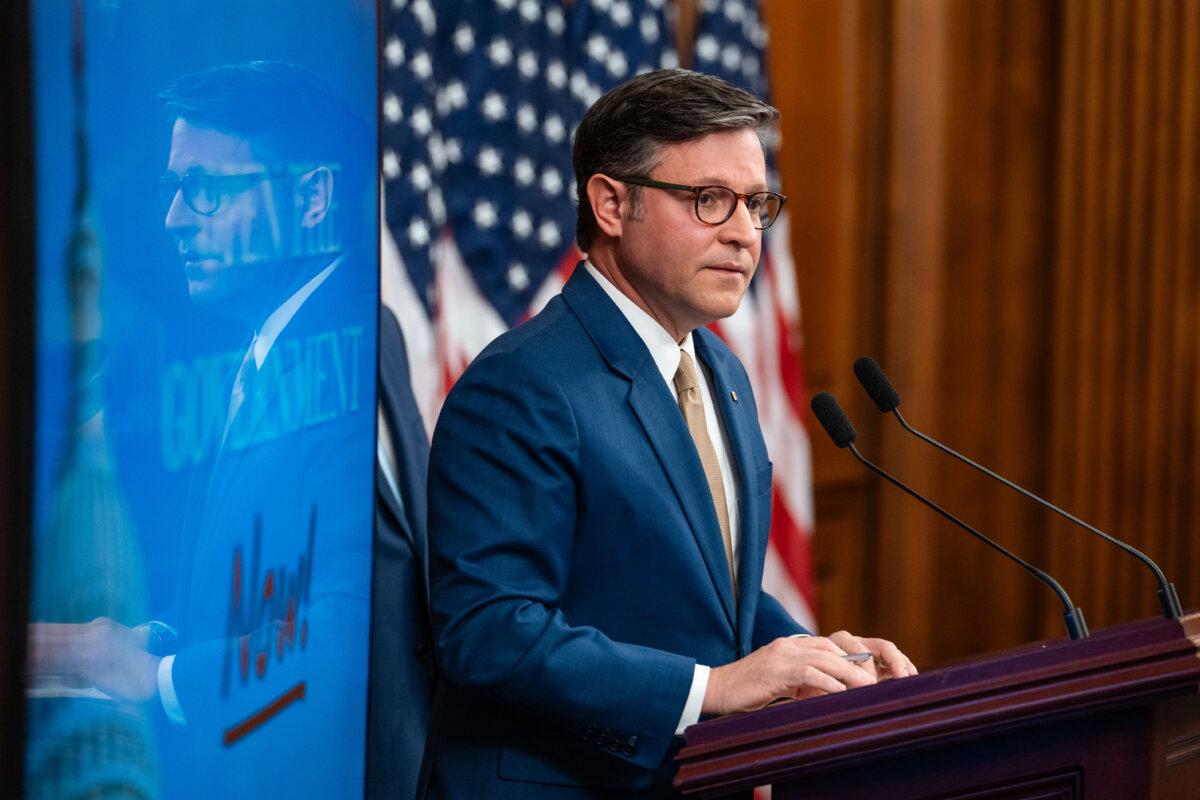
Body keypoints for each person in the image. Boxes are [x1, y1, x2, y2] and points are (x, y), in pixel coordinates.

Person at [423, 69, 917, 799]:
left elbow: (709, 598)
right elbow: (492, 631)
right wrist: (714, 687)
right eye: (709, 199)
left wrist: (810, 658)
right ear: (612, 203)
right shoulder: (523, 385)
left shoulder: (716, 365)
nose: (746, 233)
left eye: (756, 204)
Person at [30, 61, 434, 798]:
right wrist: (129, 643)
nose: (174, 219)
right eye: (171, 188)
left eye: (206, 190)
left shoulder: (343, 344)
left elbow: (350, 628)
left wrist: (156, 678)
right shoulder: (291, 336)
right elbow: (272, 587)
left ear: (312, 197)